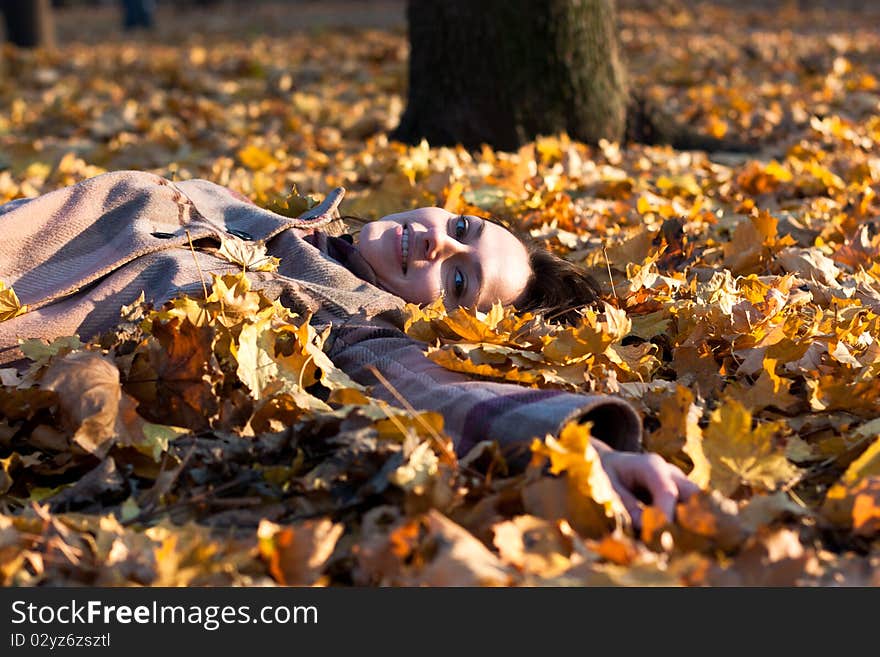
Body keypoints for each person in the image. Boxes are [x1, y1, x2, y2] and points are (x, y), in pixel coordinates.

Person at [0, 170, 697, 527]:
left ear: (442, 321)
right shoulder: (238, 208)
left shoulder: (341, 320)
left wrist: (582, 450)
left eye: (456, 280)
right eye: (458, 225)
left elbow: (428, 389)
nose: (435, 241)